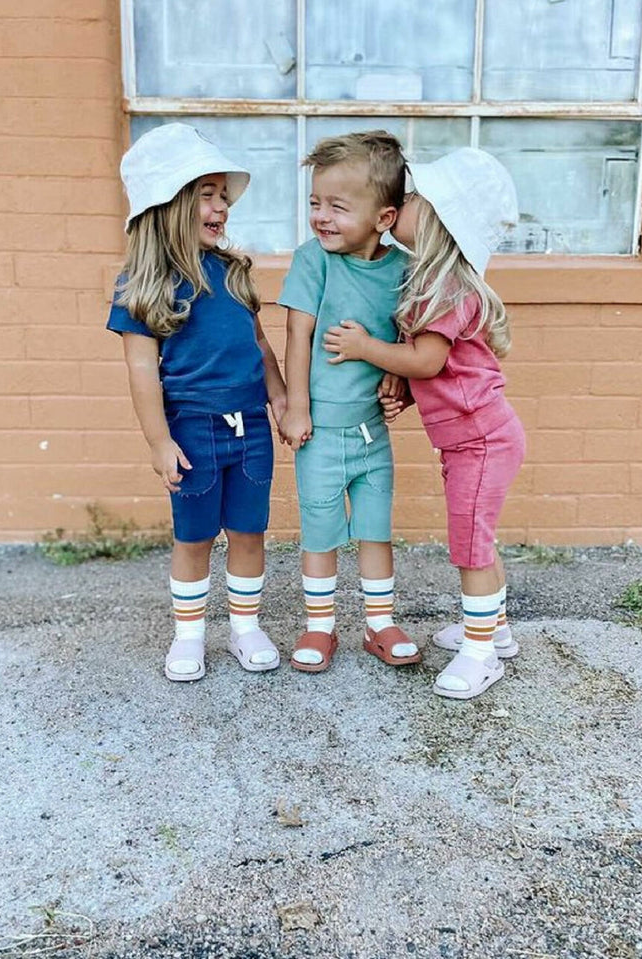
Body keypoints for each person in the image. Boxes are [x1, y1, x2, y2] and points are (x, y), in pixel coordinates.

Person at [323, 147, 524, 700]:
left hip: (481, 439)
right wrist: (408, 393)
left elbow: (430, 361)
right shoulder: (433, 285)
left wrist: (369, 349)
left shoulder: (446, 289)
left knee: (470, 546)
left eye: (410, 199)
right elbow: (444, 372)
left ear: (437, 220)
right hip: (472, 439)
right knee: (478, 535)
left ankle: (481, 653)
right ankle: (495, 630)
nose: (398, 205)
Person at [106, 123, 287, 682]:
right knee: (194, 535)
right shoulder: (142, 282)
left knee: (249, 530)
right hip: (192, 428)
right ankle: (188, 636)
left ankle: (244, 626)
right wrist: (159, 441)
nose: (220, 207)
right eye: (206, 195)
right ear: (168, 205)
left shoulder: (233, 273)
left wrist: (280, 397)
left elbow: (258, 343)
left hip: (250, 425)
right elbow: (141, 370)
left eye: (223, 197)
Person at [278, 130, 420, 673]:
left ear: (384, 218)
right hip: (318, 430)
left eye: (338, 206)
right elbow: (298, 334)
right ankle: (319, 628)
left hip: (370, 431)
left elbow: (409, 338)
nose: (322, 217)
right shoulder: (313, 260)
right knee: (320, 527)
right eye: (315, 203)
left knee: (374, 525)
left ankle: (379, 623)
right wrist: (296, 407)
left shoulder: (402, 270)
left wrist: (398, 377)